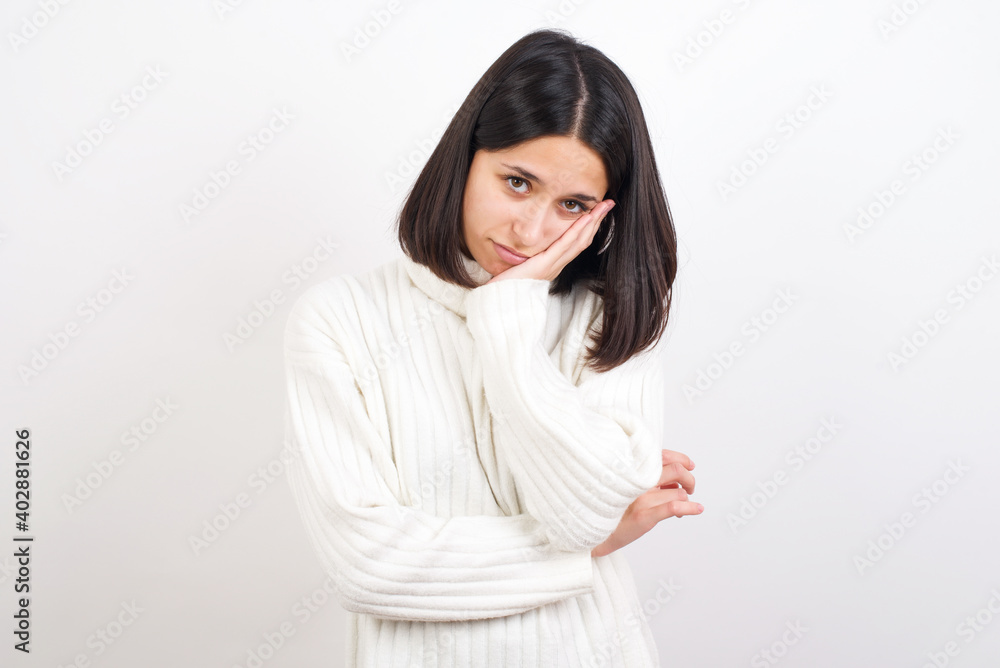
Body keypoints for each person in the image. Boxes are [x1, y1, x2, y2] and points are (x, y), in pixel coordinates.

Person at [282, 27, 702, 667]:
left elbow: (581, 517)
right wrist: (586, 549)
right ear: (466, 157)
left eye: (572, 204)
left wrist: (506, 313)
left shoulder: (606, 323)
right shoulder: (340, 320)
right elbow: (369, 566)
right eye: (516, 182)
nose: (531, 230)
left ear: (604, 215)